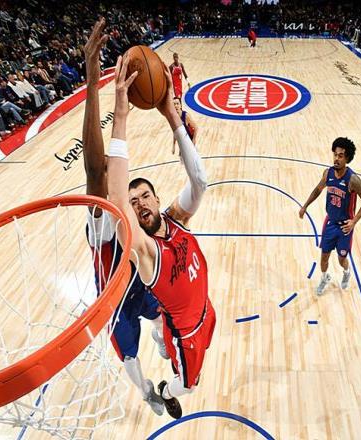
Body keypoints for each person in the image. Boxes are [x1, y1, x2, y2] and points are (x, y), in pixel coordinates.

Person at [106, 55, 215, 420]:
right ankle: (166, 390)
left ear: (156, 198)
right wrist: (121, 117)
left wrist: (172, 117)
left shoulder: (176, 218)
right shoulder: (146, 252)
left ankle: (164, 347)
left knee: (191, 356)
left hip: (207, 310)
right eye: (134, 202)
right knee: (188, 385)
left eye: (145, 197)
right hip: (185, 332)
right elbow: (116, 198)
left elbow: (200, 182)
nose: (140, 204)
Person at [81, 18, 166, 416]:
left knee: (162, 314)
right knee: (131, 358)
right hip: (115, 302)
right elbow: (94, 170)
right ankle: (147, 391)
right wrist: (93, 81)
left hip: (140, 285)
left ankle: (160, 337)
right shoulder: (102, 226)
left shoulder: (132, 215)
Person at [299, 138, 361, 295]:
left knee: (341, 259)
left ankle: (347, 272)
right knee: (324, 257)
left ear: (347, 158)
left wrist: (354, 221)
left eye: (340, 156)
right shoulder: (328, 173)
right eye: (335, 155)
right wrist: (305, 206)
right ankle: (325, 277)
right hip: (330, 223)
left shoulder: (353, 179)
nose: (336, 159)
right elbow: (318, 190)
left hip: (345, 227)